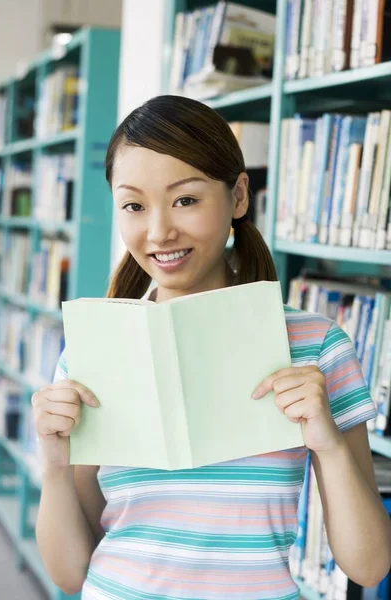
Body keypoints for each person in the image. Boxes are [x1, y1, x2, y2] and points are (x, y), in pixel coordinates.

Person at [32, 95, 391, 599]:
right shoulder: (94, 352)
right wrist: (53, 464)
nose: (159, 232)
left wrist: (328, 443)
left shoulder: (314, 345)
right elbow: (70, 574)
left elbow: (369, 567)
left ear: (238, 196)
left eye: (186, 199)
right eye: (134, 205)